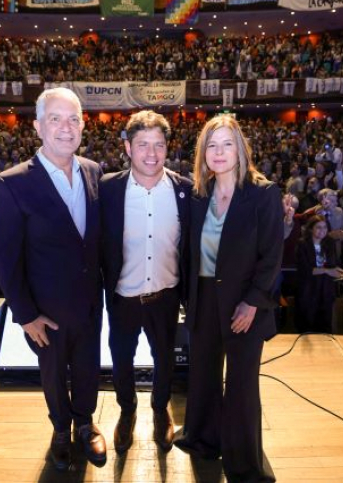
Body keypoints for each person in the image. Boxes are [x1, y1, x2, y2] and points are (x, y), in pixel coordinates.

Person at [0, 88, 105, 472]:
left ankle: (85, 424)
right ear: (38, 126)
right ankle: (60, 430)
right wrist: (25, 315)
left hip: (90, 302)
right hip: (46, 310)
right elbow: (6, 259)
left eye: (73, 119)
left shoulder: (93, 170)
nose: (65, 127)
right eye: (55, 119)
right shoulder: (11, 183)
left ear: (83, 125)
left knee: (88, 366)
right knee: (54, 375)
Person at [174, 115, 283, 483]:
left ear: (240, 149)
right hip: (204, 299)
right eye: (211, 145)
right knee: (203, 374)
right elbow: (189, 253)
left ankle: (243, 463)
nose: (218, 152)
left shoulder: (263, 193)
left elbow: (271, 255)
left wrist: (252, 302)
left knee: (241, 384)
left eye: (226, 144)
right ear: (203, 153)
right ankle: (203, 439)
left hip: (245, 305)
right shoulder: (197, 195)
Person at [99, 110, 191, 454]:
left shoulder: (185, 191)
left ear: (168, 148)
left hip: (166, 296)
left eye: (159, 145)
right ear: (127, 147)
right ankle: (126, 412)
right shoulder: (108, 189)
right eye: (142, 145)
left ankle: (160, 410)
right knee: (121, 359)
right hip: (123, 297)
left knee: (165, 358)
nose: (151, 154)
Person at [295, 215, 343, 333]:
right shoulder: (302, 244)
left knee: (325, 325)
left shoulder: (330, 242)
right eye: (318, 227)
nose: (322, 231)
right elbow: (305, 269)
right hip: (308, 288)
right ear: (311, 229)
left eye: (325, 228)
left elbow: (333, 263)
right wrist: (328, 271)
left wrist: (341, 271)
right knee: (308, 324)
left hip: (326, 288)